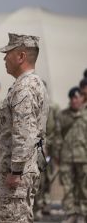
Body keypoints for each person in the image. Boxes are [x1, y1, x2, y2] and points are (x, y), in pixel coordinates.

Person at [0, 33, 49, 223]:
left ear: (21, 56)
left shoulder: (24, 88)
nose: (4, 58)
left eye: (8, 53)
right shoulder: (32, 84)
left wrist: (16, 171)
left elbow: (24, 132)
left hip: (14, 176)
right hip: (19, 171)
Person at [58, 87, 87, 223]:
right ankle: (71, 213)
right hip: (67, 157)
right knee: (68, 187)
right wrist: (56, 154)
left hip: (83, 157)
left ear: (82, 98)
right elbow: (57, 136)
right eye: (71, 98)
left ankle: (82, 212)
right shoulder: (63, 115)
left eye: (76, 97)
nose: (74, 100)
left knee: (83, 187)